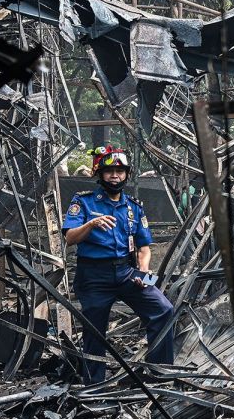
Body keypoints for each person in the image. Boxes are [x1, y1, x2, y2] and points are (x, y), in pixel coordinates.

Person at [62, 145, 175, 382]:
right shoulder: (83, 202)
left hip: (127, 271)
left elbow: (144, 248)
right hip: (93, 275)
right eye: (110, 171)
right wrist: (90, 225)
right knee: (95, 332)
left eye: (121, 171)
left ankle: (160, 374)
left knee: (164, 310)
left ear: (127, 174)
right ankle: (95, 386)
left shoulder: (134, 207)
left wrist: (143, 272)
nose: (116, 175)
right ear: (99, 174)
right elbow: (70, 238)